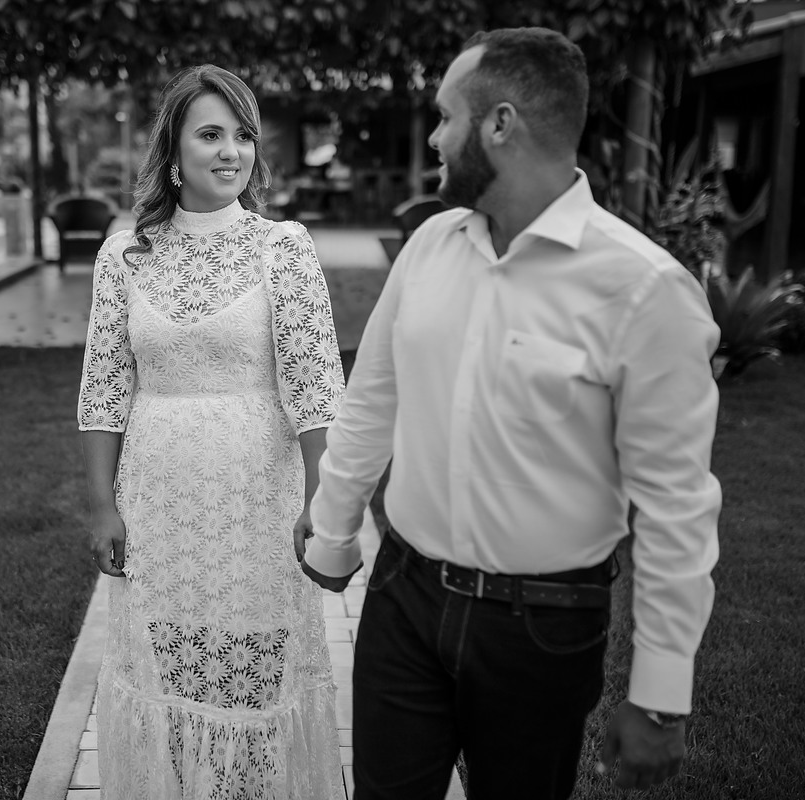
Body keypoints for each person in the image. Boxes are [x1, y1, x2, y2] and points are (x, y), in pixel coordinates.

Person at [299, 27, 722, 799]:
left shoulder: (644, 289)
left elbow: (675, 506)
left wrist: (661, 696)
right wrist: (332, 534)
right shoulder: (428, 246)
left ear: (499, 124)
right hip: (403, 598)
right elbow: (371, 399)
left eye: (445, 118)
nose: (432, 136)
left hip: (542, 627)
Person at [77, 64, 346, 800]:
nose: (231, 151)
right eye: (210, 134)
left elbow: (318, 387)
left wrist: (320, 501)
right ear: (173, 153)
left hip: (256, 495)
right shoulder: (122, 255)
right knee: (172, 672)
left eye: (243, 135)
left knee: (253, 682)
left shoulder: (281, 246)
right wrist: (103, 504)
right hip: (162, 496)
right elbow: (103, 389)